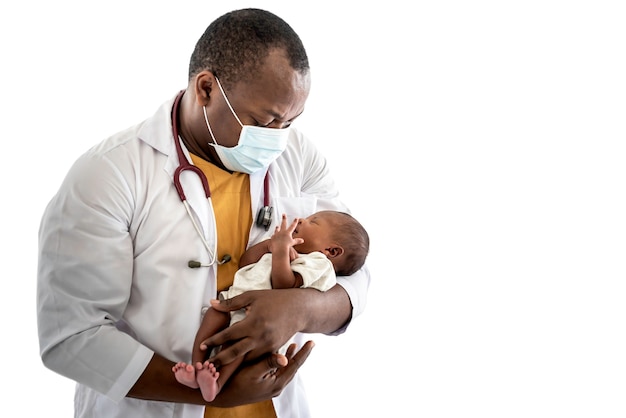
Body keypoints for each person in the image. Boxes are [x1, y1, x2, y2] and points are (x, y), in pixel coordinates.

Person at [36, 7, 371, 418]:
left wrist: (301, 308)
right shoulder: (109, 174)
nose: (279, 140)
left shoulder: (298, 154)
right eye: (264, 121)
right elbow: (71, 335)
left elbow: (354, 268)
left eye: (291, 121)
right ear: (207, 89)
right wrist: (209, 394)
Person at [173, 211, 370, 402]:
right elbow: (246, 263)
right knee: (213, 316)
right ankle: (197, 367)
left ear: (331, 251)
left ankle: (216, 384)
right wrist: (269, 245)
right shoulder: (286, 250)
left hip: (256, 318)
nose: (301, 219)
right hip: (233, 300)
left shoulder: (318, 264)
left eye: (313, 221)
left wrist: (280, 252)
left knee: (235, 345)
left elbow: (284, 285)